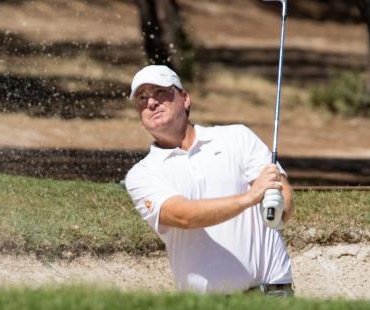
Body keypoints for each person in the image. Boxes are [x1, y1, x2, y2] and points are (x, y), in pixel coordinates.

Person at [124, 64, 294, 295]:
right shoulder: (142, 174)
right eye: (142, 99)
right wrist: (248, 198)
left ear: (184, 99)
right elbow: (182, 215)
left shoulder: (237, 137)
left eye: (160, 93)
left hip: (272, 296)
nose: (151, 103)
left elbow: (282, 197)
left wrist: (279, 204)